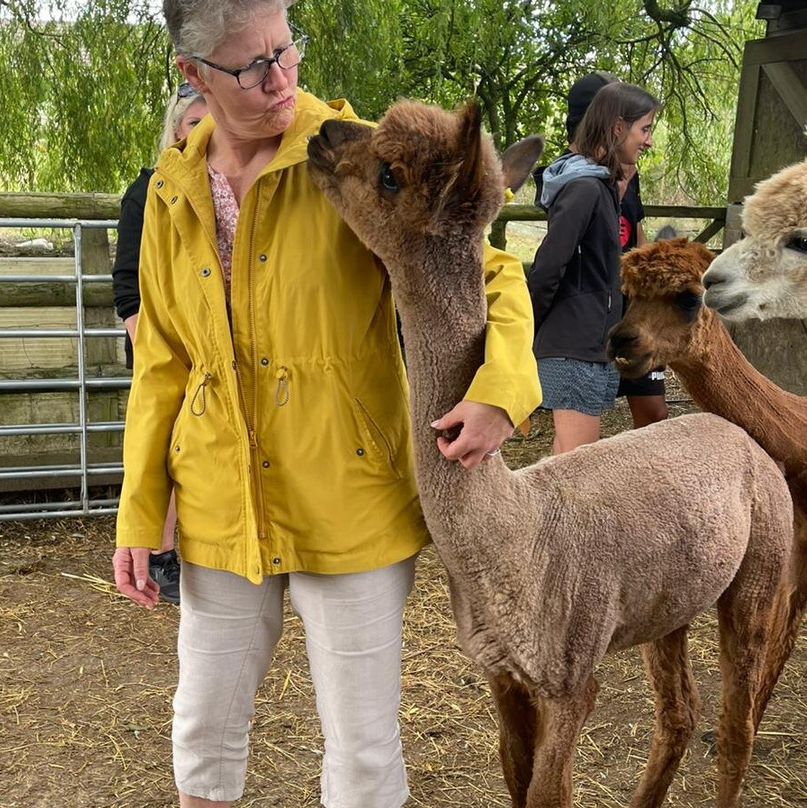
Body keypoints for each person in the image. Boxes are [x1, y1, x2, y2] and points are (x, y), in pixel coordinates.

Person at [111, 1, 541, 805]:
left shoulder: (366, 163)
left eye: (286, 49)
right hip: (217, 502)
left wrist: (500, 391)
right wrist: (142, 508)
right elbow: (163, 361)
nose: (280, 78)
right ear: (193, 73)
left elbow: (489, 274)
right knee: (202, 730)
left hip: (350, 498)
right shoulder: (172, 186)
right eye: (251, 66)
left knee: (362, 749)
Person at [111, 84, 209, 605]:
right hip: (162, 343)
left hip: (213, 345)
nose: (206, 132)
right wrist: (152, 347)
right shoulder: (148, 191)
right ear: (175, 130)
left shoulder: (228, 189)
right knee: (164, 442)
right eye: (195, 123)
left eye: (213, 122)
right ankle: (161, 550)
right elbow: (128, 285)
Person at [528, 81, 661, 454]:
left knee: (566, 459)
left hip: (592, 344)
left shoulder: (602, 187)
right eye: (644, 129)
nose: (648, 141)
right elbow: (548, 266)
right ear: (618, 128)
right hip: (574, 346)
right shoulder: (584, 189)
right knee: (578, 463)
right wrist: (525, 330)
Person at [562, 72, 669, 429]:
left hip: (630, 310)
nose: (646, 140)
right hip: (590, 316)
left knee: (654, 412)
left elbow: (635, 233)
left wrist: (653, 286)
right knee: (580, 427)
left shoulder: (626, 169)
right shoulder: (570, 178)